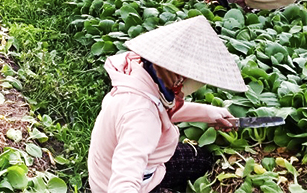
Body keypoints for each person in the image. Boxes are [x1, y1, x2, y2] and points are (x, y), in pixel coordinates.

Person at [88, 16, 247, 193]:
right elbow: (122, 185)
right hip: (116, 183)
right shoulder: (141, 117)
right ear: (179, 78)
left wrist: (209, 113)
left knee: (201, 160)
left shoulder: (138, 74)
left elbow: (160, 110)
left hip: (116, 168)